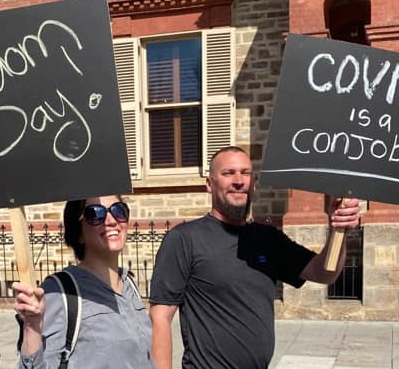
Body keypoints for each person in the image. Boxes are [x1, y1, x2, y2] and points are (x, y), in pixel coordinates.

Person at [149, 146, 361, 369]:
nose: (239, 180)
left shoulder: (268, 239)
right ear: (210, 184)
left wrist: (339, 228)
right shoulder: (184, 239)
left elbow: (323, 272)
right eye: (228, 173)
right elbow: (160, 318)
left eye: (246, 173)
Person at [13, 195, 155, 369]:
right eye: (95, 214)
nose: (111, 221)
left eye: (119, 210)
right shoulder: (61, 292)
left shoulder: (129, 283)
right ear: (79, 233)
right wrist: (32, 328)